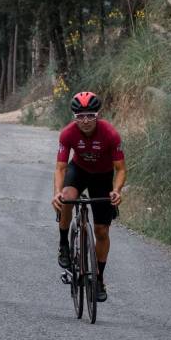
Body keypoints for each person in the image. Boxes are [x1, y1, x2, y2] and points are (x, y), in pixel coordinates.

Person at [51, 91, 126, 302]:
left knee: (102, 230)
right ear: (74, 117)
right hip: (79, 171)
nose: (85, 121)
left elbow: (120, 169)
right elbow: (61, 167)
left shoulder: (110, 134)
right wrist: (57, 193)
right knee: (66, 197)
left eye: (90, 115)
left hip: (102, 177)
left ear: (98, 114)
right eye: (80, 116)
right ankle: (64, 244)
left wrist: (116, 191)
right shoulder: (67, 134)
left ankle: (99, 279)